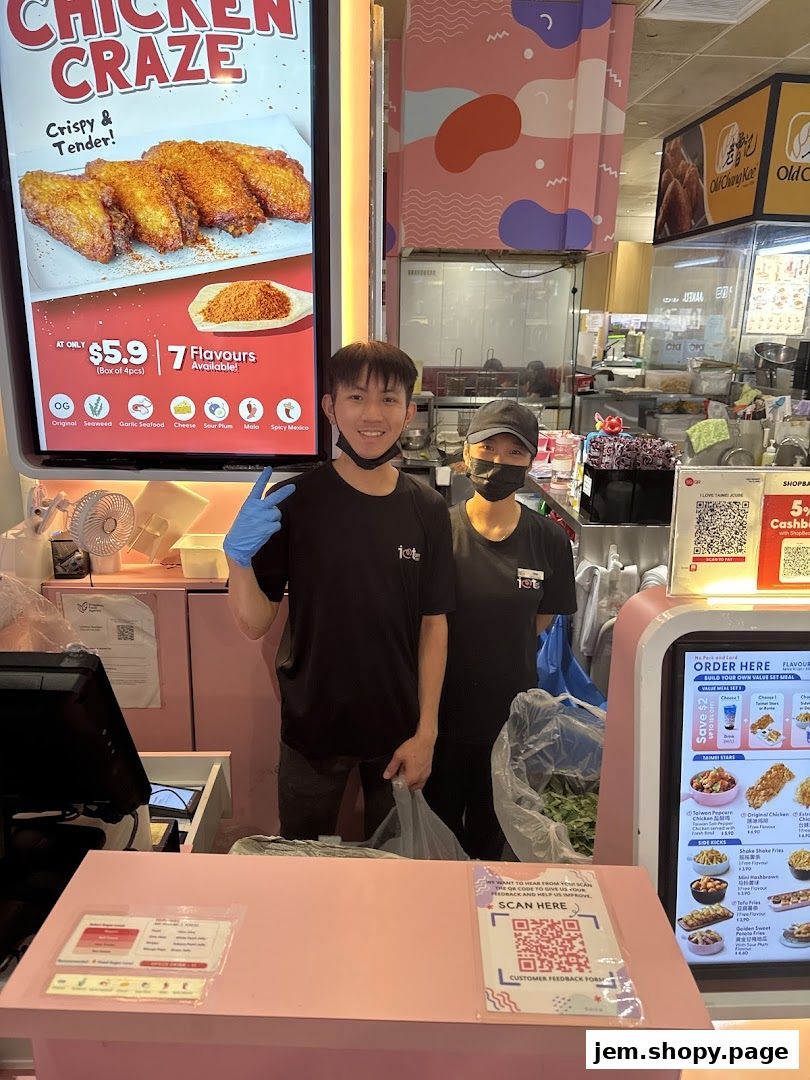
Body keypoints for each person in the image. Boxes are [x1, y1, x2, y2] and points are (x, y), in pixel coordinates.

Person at [225, 341, 455, 841]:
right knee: (301, 871)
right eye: (356, 398)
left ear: (409, 412)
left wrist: (427, 733)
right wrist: (237, 561)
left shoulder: (428, 509)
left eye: (389, 400)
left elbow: (434, 625)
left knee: (393, 875)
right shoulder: (296, 501)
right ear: (330, 407)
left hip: (398, 732)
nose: (372, 415)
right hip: (312, 729)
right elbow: (254, 621)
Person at [424, 399, 576, 859]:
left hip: (509, 726)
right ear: (466, 453)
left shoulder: (549, 538)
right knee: (439, 845)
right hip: (441, 721)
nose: (500, 462)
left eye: (515, 452)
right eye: (488, 447)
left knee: (493, 846)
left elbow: (538, 622)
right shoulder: (436, 530)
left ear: (531, 461)